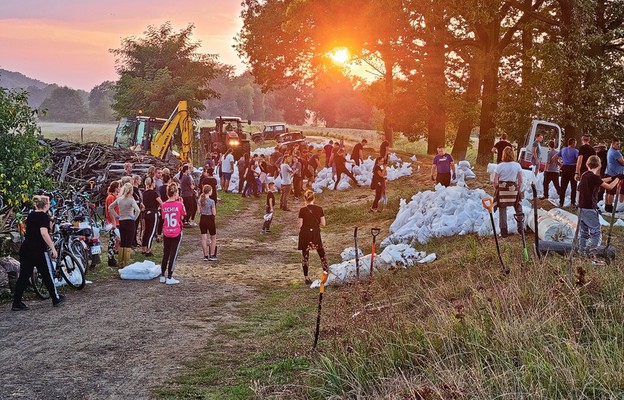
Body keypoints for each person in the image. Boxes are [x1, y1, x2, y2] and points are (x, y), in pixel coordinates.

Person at [11, 195, 65, 310]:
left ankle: (16, 302)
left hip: (26, 249)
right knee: (47, 274)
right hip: (39, 250)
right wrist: (53, 248)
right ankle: (55, 298)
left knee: (24, 276)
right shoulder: (43, 217)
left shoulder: (31, 215)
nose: (50, 205)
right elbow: (44, 233)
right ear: (46, 205)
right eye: (49, 203)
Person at [577, 155, 620, 263]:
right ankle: (592, 256)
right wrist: (618, 179)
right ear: (600, 165)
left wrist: (611, 178)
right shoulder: (594, 177)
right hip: (590, 209)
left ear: (587, 164)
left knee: (584, 232)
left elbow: (599, 181)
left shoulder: (585, 175)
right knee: (596, 233)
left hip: (581, 208)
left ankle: (581, 252)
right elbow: (609, 187)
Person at [297, 190, 329, 285]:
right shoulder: (319, 209)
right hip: (315, 233)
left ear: (305, 199)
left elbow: (300, 225)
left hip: (305, 233)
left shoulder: (302, 210)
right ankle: (326, 273)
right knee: (321, 253)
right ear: (314, 198)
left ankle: (306, 277)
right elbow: (323, 223)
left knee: (305, 255)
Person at [108, 182, 141, 268]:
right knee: (128, 243)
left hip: (122, 221)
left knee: (123, 242)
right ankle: (126, 263)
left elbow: (110, 207)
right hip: (130, 221)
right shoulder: (131, 200)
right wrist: (134, 218)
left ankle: (120, 262)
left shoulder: (119, 199)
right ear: (131, 190)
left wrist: (117, 216)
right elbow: (138, 210)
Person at [493, 146, 524, 238]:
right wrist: (518, 189)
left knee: (502, 210)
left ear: (503, 155)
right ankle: (521, 229)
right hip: (513, 190)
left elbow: (495, 181)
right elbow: (520, 180)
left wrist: (497, 189)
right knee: (518, 207)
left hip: (503, 190)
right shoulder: (517, 165)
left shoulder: (499, 166)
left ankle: (503, 231)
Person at [160, 182, 186, 284]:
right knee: (173, 254)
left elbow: (163, 218)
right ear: (175, 193)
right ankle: (170, 276)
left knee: (165, 253)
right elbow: (183, 216)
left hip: (166, 230)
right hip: (176, 231)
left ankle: (162, 275)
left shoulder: (163, 205)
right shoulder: (179, 204)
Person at [141, 177, 162, 257]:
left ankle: (143, 248)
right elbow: (161, 203)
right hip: (154, 213)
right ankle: (148, 250)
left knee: (146, 231)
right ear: (152, 183)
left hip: (146, 213)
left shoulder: (144, 193)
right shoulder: (154, 193)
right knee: (152, 232)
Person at [559, 138, 579, 208]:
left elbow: (554, 158)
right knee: (573, 186)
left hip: (564, 168)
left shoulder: (563, 149)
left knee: (563, 187)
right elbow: (578, 160)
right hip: (572, 168)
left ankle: (561, 202)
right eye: (575, 143)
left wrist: (560, 165)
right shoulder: (576, 151)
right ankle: (572, 203)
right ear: (573, 143)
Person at [199, 185, 217, 261]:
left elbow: (199, 211)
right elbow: (214, 212)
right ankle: (212, 254)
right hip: (210, 219)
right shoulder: (211, 201)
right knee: (213, 237)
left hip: (202, 218)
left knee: (204, 238)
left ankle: (205, 255)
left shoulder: (200, 200)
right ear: (209, 191)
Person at [605, 138, 624, 212]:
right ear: (612, 144)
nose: (618, 145)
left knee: (608, 191)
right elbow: (622, 162)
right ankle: (610, 208)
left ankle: (607, 205)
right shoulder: (616, 153)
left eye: (619, 144)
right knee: (611, 192)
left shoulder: (610, 150)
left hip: (609, 172)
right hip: (614, 173)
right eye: (617, 144)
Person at [105, 181, 121, 267]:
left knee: (114, 240)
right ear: (115, 188)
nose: (119, 189)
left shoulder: (114, 197)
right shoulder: (111, 197)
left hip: (115, 221)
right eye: (118, 187)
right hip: (112, 222)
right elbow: (110, 210)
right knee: (112, 241)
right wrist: (113, 222)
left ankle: (112, 257)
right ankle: (110, 259)